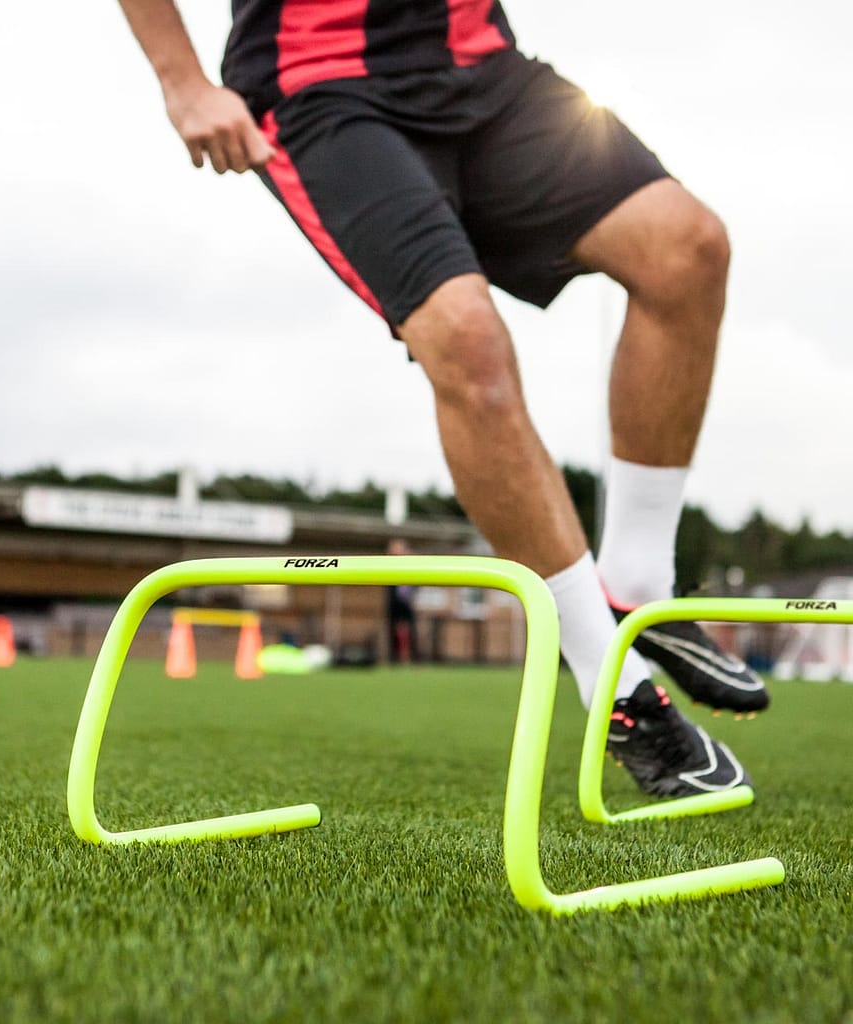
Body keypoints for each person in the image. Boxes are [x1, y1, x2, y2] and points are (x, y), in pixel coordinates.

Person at [113, 1, 769, 798]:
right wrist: (182, 80)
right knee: (467, 341)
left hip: (481, 67)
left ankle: (637, 580)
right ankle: (613, 683)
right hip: (322, 86)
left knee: (688, 247)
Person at [385, 538, 420, 665]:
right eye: (394, 547)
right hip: (394, 602)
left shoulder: (410, 561)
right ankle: (393, 660)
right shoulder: (388, 563)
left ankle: (414, 660)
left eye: (399, 547)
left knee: (411, 630)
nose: (396, 549)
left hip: (406, 601)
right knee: (392, 630)